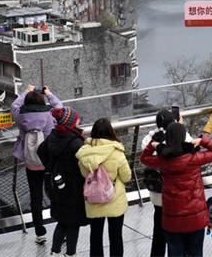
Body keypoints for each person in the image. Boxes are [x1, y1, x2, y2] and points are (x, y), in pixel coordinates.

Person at [140, 122, 212, 257]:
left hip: (172, 217)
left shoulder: (162, 160)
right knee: (196, 252)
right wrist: (202, 140)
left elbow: (144, 158)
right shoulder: (194, 158)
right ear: (184, 137)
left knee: (175, 252)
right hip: (195, 215)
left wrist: (153, 144)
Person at [11, 84, 62, 244]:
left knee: (36, 196)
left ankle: (40, 233)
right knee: (56, 193)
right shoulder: (50, 114)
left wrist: (27, 91)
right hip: (49, 161)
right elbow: (60, 107)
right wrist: (49, 93)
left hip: (31, 162)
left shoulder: (20, 116)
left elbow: (14, 105)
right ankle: (62, 229)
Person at [76, 118, 132, 257]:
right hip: (114, 199)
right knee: (116, 236)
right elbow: (126, 177)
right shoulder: (116, 151)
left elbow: (84, 174)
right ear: (111, 132)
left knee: (95, 236)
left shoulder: (85, 152)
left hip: (93, 199)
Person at [141, 109, 192, 257]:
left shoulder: (149, 139)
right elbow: (189, 151)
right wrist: (180, 126)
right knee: (177, 231)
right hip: (176, 194)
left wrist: (155, 143)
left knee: (158, 229)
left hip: (158, 194)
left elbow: (146, 157)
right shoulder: (183, 137)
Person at [37, 106, 87, 257]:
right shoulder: (76, 142)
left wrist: (51, 168)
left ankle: (55, 251)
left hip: (57, 186)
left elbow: (41, 151)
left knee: (62, 221)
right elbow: (83, 166)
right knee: (73, 223)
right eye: (77, 118)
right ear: (71, 123)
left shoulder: (54, 136)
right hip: (74, 189)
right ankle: (70, 253)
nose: (79, 120)